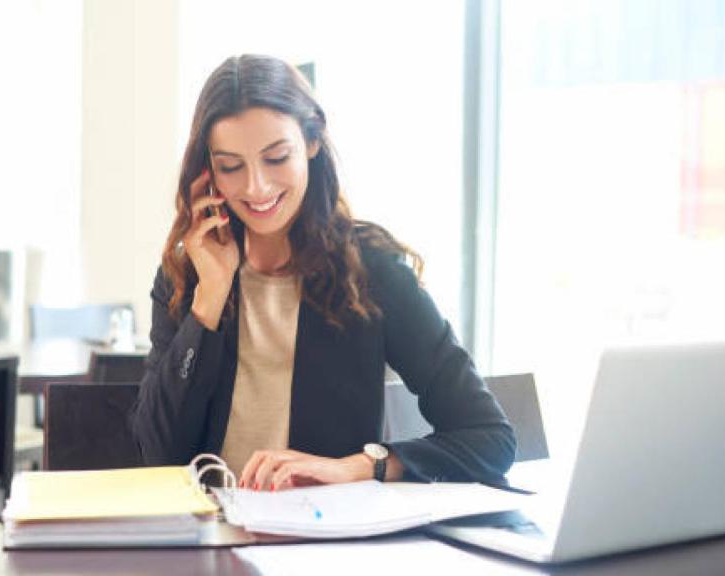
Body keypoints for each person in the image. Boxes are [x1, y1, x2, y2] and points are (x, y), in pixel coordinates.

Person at [131, 54, 515, 491]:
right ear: (209, 173)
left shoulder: (372, 272)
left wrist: (360, 466)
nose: (256, 187)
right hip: (208, 539)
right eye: (231, 167)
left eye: (276, 157)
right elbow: (157, 455)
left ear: (312, 141)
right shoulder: (189, 275)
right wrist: (210, 298)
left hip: (324, 542)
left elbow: (489, 438)